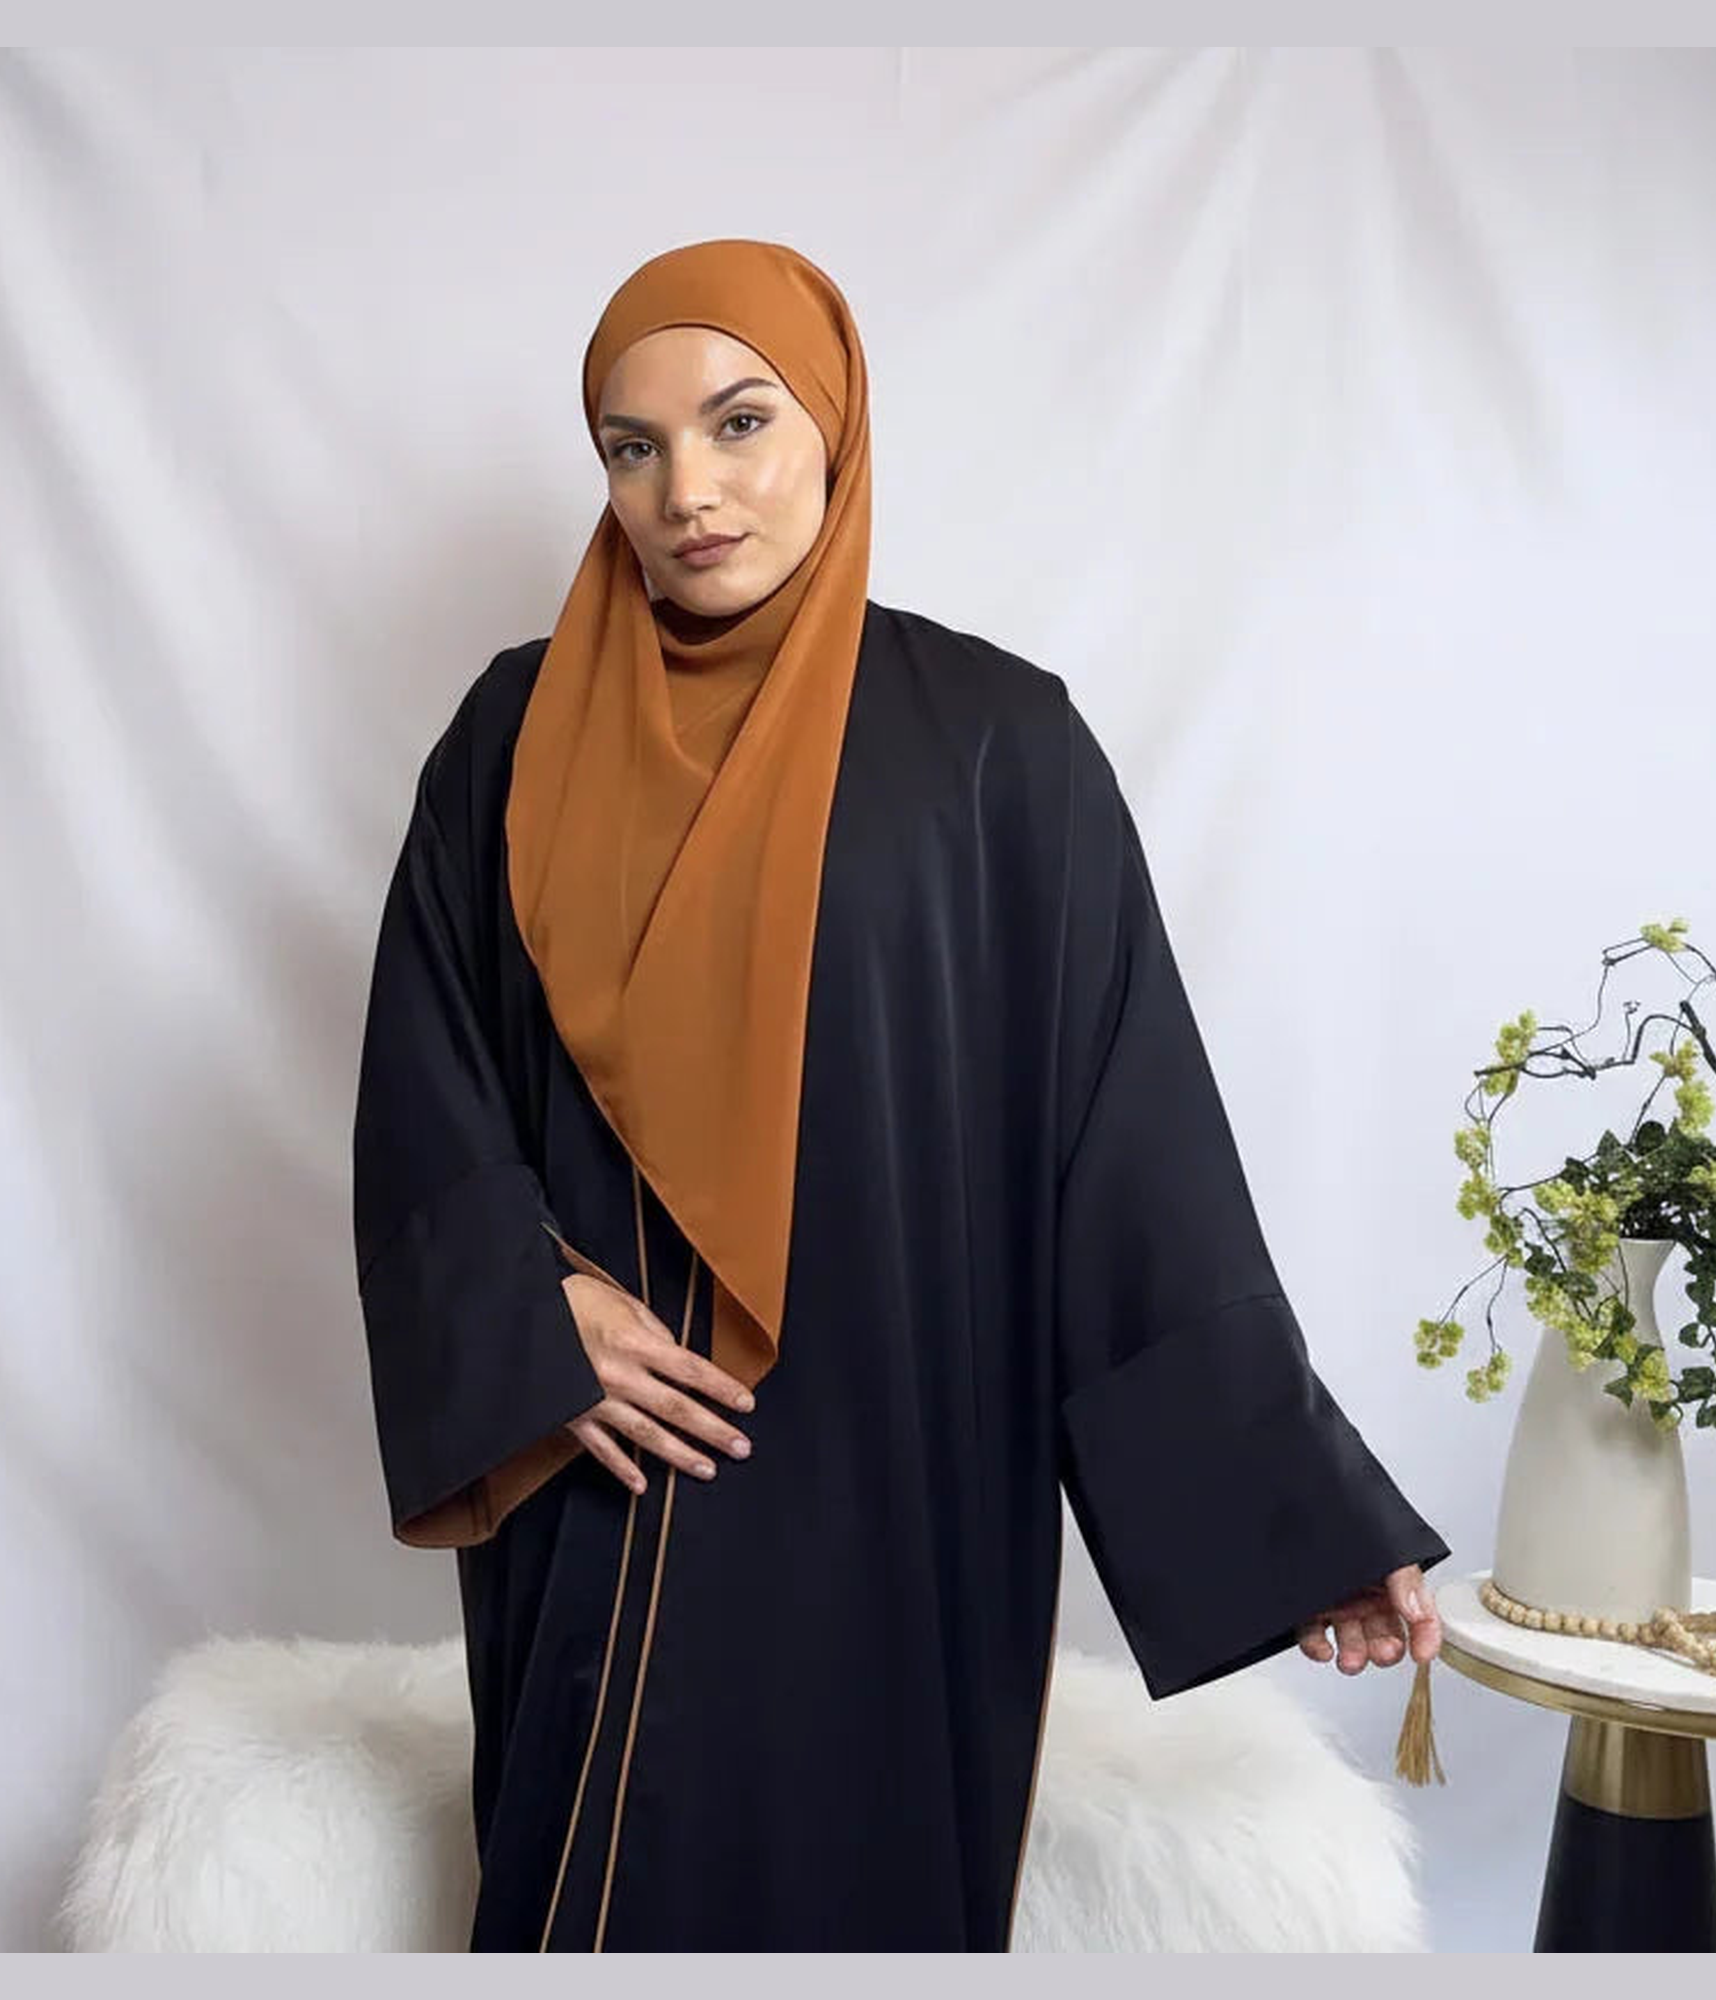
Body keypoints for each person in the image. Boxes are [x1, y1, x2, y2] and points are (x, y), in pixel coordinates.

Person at [351, 237, 1449, 1952]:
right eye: (631, 448)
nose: (686, 492)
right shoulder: (515, 732)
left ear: (837, 426)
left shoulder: (999, 748)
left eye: (737, 424)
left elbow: (1130, 1146)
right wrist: (524, 1305)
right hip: (616, 1472)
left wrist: (1295, 1511)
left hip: (906, 1480)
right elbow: (423, 1082)